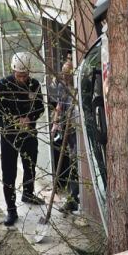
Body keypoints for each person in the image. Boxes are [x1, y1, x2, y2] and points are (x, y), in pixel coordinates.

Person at [0, 52, 46, 226]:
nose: (22, 79)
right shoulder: (2, 85)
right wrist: (15, 120)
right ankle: (11, 209)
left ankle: (28, 193)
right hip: (9, 135)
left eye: (25, 75)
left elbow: (40, 107)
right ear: (13, 71)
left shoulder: (34, 85)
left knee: (30, 165)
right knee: (9, 172)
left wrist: (30, 118)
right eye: (19, 75)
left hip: (29, 133)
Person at [51, 56, 80, 212]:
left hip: (77, 130)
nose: (64, 76)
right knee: (71, 162)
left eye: (67, 73)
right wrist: (56, 122)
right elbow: (59, 105)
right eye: (63, 73)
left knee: (76, 163)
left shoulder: (78, 87)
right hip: (66, 131)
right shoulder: (62, 87)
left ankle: (73, 199)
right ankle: (71, 198)